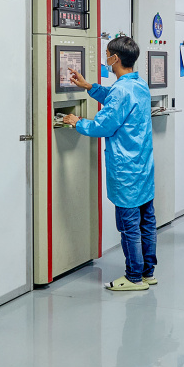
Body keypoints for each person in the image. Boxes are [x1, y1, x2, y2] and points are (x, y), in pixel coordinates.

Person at [62, 36, 155, 291]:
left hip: (126, 171)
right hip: (143, 167)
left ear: (115, 58)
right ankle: (147, 272)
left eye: (107, 55)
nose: (106, 59)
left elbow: (103, 125)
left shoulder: (121, 91)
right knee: (146, 222)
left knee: (129, 226)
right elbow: (115, 98)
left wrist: (77, 122)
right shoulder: (139, 85)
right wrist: (89, 86)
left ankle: (133, 277)